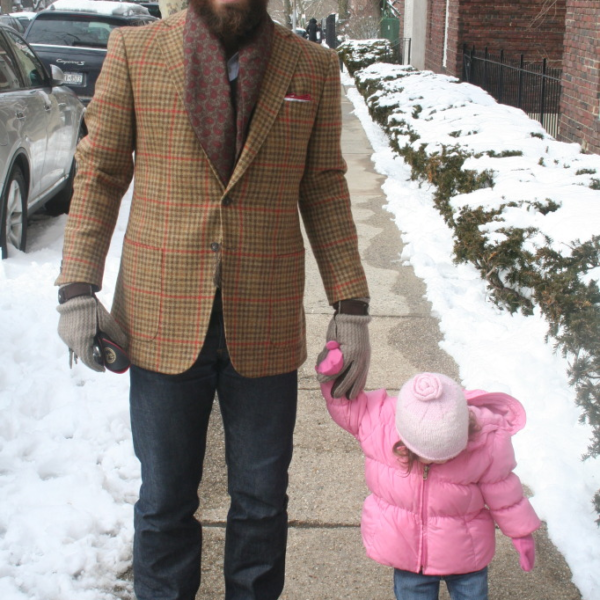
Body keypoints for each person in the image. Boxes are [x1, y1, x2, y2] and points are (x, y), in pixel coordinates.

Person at [55, 0, 371, 597]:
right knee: (165, 499)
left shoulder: (311, 67)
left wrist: (350, 303)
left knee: (260, 500)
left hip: (267, 319)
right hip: (159, 317)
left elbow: (324, 185)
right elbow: (99, 171)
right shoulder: (137, 52)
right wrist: (78, 287)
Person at [317, 346, 541, 600]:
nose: (439, 461)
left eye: (449, 453)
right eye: (426, 454)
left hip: (466, 553)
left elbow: (505, 493)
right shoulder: (379, 425)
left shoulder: (485, 442)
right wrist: (334, 378)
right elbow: (346, 407)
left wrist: (521, 533)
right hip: (408, 555)